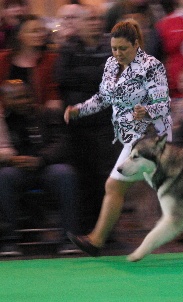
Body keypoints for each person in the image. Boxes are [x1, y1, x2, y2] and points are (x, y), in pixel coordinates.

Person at [64, 20, 172, 256]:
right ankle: (97, 240)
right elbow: (103, 98)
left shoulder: (152, 66)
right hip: (129, 136)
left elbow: (163, 103)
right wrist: (79, 109)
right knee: (167, 189)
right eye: (114, 48)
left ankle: (97, 240)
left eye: (123, 48)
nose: (117, 53)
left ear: (136, 44)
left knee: (117, 185)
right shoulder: (111, 65)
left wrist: (148, 110)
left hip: (151, 136)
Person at [54, 5, 122, 235]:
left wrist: (85, 78)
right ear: (80, 23)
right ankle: (83, 229)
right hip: (79, 129)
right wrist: (94, 77)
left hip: (105, 125)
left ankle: (106, 230)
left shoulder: (110, 48)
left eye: (97, 19)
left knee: (106, 177)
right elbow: (63, 79)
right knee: (83, 179)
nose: (94, 23)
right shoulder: (68, 49)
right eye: (90, 19)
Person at [0, 79, 80, 256]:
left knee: (65, 173)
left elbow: (61, 142)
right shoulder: (3, 120)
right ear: (6, 99)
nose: (23, 101)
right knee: (4, 177)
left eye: (26, 96)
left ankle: (68, 239)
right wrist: (14, 160)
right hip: (16, 170)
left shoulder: (47, 114)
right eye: (17, 98)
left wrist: (40, 159)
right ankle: (8, 242)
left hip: (46, 168)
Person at [0, 14, 60, 107]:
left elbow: (53, 92)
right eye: (34, 31)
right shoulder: (3, 59)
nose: (40, 34)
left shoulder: (51, 59)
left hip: (39, 114)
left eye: (42, 30)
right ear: (19, 35)